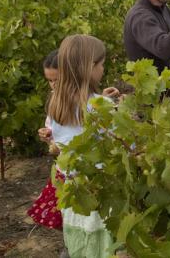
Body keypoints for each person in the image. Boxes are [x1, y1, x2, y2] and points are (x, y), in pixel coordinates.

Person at [48, 34, 115, 258]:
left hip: (75, 194)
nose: (103, 69)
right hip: (101, 192)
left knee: (81, 246)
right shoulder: (102, 105)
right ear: (90, 67)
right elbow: (122, 145)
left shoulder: (56, 103)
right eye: (101, 64)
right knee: (103, 246)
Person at [28, 50, 63, 230]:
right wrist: (47, 135)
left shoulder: (82, 103)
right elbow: (53, 129)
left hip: (76, 168)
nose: (53, 85)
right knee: (60, 215)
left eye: (57, 80)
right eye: (50, 80)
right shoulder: (54, 100)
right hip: (62, 166)